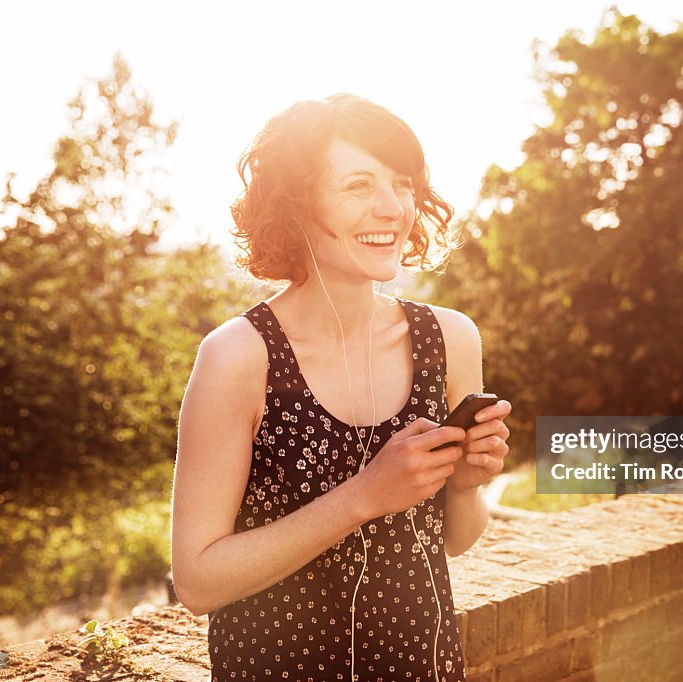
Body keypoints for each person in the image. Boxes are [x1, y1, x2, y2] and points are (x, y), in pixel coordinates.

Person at [170, 93, 512, 681]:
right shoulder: (238, 357)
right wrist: (365, 496)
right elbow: (198, 583)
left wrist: (464, 485)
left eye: (402, 184)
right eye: (358, 185)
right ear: (295, 206)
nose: (393, 209)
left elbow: (454, 540)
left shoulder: (449, 339)